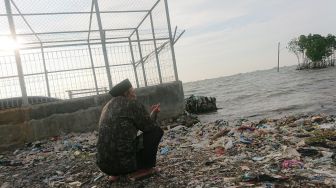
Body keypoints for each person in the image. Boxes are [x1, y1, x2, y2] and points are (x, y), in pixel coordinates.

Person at [96, 79, 163, 181]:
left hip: (104, 165)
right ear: (126, 93)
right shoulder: (132, 104)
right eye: (133, 92)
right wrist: (154, 114)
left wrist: (151, 115)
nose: (135, 95)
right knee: (157, 131)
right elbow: (150, 127)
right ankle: (143, 170)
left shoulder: (107, 106)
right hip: (125, 164)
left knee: (120, 142)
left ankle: (116, 175)